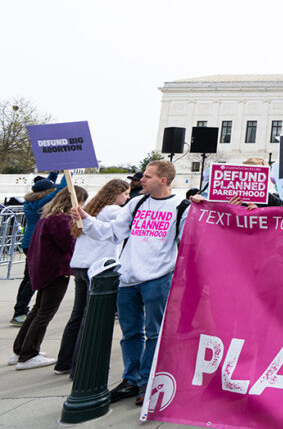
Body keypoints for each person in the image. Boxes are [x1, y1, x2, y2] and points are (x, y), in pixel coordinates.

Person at [72, 160, 190, 405]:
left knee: (155, 332)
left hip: (158, 278)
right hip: (127, 278)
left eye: (147, 176)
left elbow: (188, 243)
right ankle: (131, 379)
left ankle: (148, 380)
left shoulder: (181, 206)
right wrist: (86, 218)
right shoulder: (136, 204)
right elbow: (112, 232)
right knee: (130, 333)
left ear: (163, 180)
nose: (141, 180)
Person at [54, 179, 130, 376]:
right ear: (116, 194)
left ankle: (64, 362)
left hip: (80, 265)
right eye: (126, 194)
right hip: (98, 268)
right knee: (91, 318)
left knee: (77, 315)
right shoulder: (114, 211)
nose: (128, 198)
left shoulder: (92, 207)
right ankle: (81, 366)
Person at [10, 186, 88, 370]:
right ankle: (28, 353)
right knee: (45, 313)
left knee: (38, 310)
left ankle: (20, 349)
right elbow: (67, 244)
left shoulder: (48, 216)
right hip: (56, 270)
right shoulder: (60, 219)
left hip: (46, 269)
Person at [11, 171, 67, 326]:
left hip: (29, 244)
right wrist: (71, 169)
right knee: (31, 279)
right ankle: (20, 311)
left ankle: (21, 309)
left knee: (28, 278)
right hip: (35, 244)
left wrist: (53, 174)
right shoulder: (40, 203)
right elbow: (59, 190)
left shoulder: (32, 201)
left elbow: (45, 187)